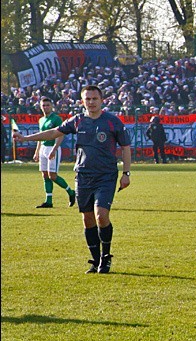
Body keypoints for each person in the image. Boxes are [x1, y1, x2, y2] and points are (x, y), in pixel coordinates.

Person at [13, 85, 132, 274]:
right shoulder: (78, 121)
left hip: (106, 176)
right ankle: (94, 260)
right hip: (83, 175)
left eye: (95, 99)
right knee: (88, 219)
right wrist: (26, 138)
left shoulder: (112, 122)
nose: (91, 102)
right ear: (82, 101)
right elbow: (53, 133)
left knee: (101, 215)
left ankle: (106, 257)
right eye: (88, 99)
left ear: (102, 101)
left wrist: (126, 174)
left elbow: (125, 147)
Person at [32, 97, 75, 208]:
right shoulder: (41, 120)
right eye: (43, 105)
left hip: (52, 148)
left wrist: (55, 149)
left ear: (51, 106)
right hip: (43, 148)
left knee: (53, 176)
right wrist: (37, 151)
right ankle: (49, 201)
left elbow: (60, 135)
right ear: (40, 107)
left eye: (47, 105)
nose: (45, 107)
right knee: (45, 175)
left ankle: (71, 192)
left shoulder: (56, 119)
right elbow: (41, 136)